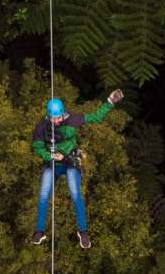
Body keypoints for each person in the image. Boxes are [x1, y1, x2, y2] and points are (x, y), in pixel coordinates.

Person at [30, 89, 124, 249]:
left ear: (63, 113)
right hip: (52, 163)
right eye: (53, 118)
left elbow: (95, 117)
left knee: (76, 195)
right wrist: (50, 156)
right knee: (43, 195)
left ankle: (82, 231)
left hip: (70, 163)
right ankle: (40, 231)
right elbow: (37, 147)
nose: (57, 121)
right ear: (48, 116)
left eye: (58, 117)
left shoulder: (73, 120)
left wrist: (109, 102)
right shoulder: (41, 127)